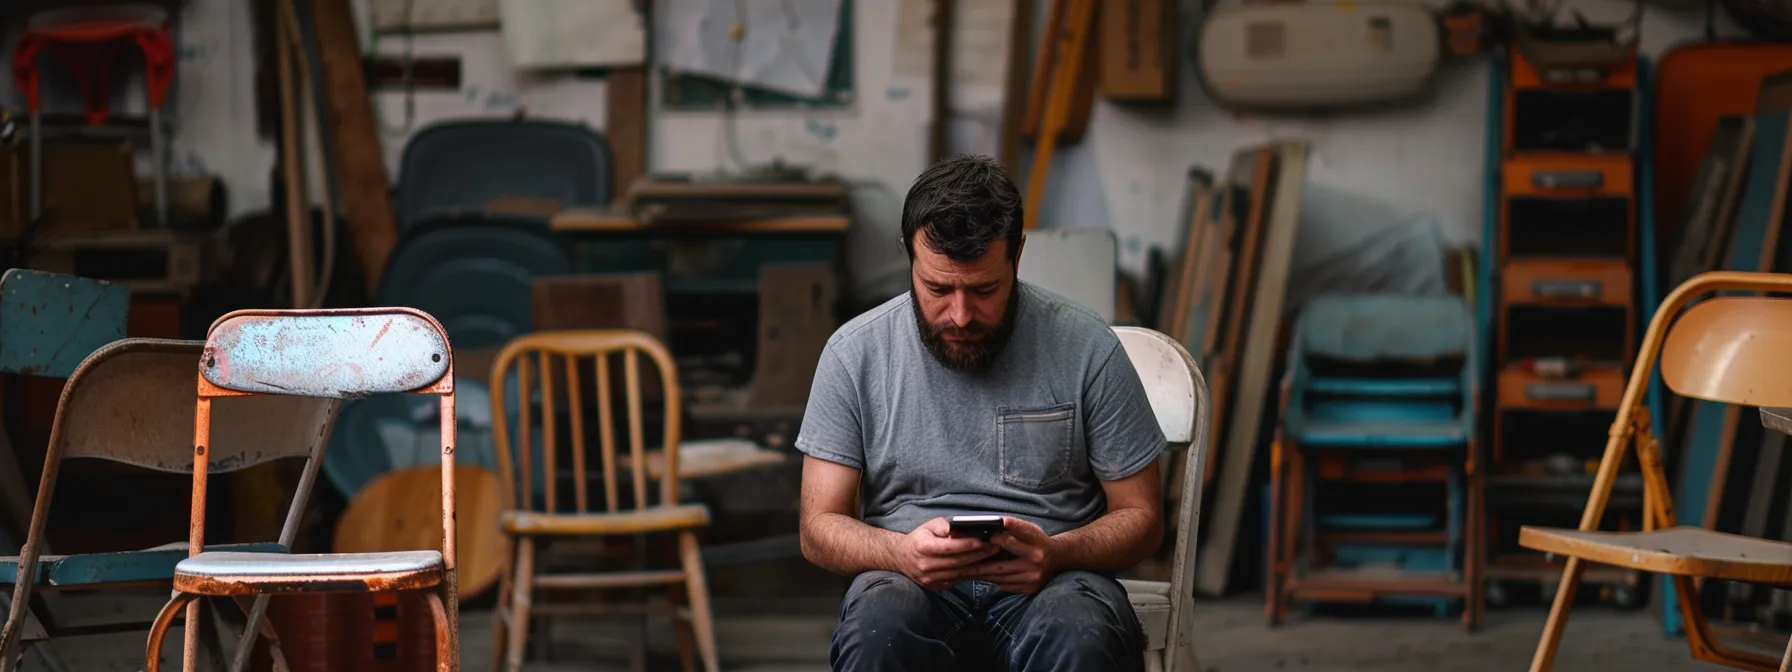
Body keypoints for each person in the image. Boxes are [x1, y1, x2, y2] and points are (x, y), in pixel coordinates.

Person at [795, 154, 1167, 671]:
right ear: (909, 255)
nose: (961, 314)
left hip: (1055, 580)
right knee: (877, 629)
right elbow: (818, 527)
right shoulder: (854, 354)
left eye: (984, 289)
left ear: (1016, 253)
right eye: (938, 289)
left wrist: (1056, 554)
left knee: (1081, 634)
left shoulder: (1086, 348)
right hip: (908, 578)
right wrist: (901, 553)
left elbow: (1143, 519)